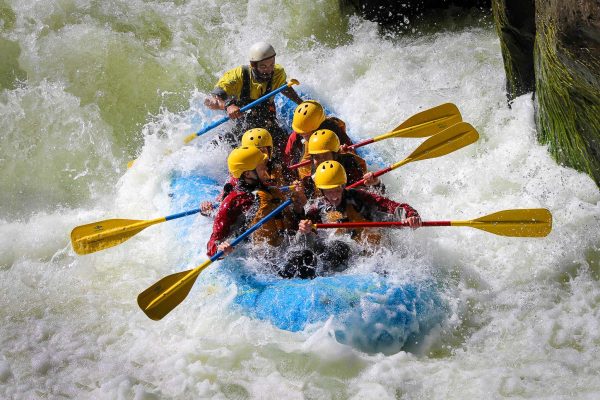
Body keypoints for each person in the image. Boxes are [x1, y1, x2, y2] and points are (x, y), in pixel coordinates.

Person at [206, 146, 316, 279]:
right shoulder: (233, 202)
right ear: (247, 174)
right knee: (303, 260)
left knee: (308, 257)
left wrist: (300, 215)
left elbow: (291, 221)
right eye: (261, 167)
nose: (266, 172)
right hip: (259, 262)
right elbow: (213, 242)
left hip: (285, 248)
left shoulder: (272, 189)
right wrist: (221, 249)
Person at [297, 161, 421, 273]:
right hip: (342, 260)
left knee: (341, 247)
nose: (334, 196)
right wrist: (305, 232)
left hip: (372, 257)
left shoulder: (360, 197)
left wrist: (411, 216)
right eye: (329, 191)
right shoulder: (315, 210)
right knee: (337, 247)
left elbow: (392, 206)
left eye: (337, 189)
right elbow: (305, 246)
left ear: (343, 185)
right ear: (321, 190)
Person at [204, 42, 303, 154]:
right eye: (263, 66)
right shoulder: (237, 76)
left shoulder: (277, 73)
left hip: (267, 122)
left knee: (286, 149)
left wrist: (300, 102)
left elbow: (283, 87)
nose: (269, 70)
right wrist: (228, 106)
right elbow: (209, 100)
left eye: (271, 65)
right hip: (242, 125)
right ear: (253, 64)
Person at [283, 100, 354, 178]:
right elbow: (287, 159)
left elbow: (352, 152)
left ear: (319, 127)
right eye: (301, 132)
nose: (302, 134)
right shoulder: (296, 135)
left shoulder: (334, 130)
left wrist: (343, 152)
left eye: (306, 133)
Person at [305, 128, 384, 196]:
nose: (322, 161)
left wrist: (376, 183)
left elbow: (377, 196)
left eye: (325, 155)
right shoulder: (314, 172)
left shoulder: (349, 165)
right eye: (317, 157)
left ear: (335, 155)